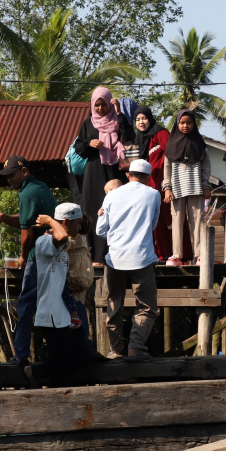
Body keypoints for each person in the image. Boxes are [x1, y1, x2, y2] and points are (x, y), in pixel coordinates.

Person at [0, 155, 57, 367]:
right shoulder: (40, 187)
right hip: (54, 253)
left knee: (26, 304)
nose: (8, 179)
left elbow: (26, 233)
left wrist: (23, 256)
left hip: (39, 256)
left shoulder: (26, 194)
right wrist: (5, 218)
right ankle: (60, 351)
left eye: (12, 175)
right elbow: (26, 219)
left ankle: (20, 355)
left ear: (24, 171)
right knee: (53, 302)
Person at [96, 159, 161, 362]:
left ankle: (116, 351)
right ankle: (135, 348)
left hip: (115, 259)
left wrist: (117, 238)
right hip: (142, 257)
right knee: (146, 307)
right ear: (148, 177)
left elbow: (100, 230)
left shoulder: (111, 195)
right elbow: (153, 224)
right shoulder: (153, 194)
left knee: (114, 305)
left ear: (128, 175)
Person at [24, 203, 95, 386]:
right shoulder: (45, 242)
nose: (79, 227)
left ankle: (37, 372)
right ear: (66, 222)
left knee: (83, 354)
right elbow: (61, 236)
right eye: (77, 223)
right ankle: (35, 374)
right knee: (62, 369)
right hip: (51, 314)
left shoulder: (63, 245)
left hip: (65, 311)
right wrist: (49, 220)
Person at [74, 87, 133, 270]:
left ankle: (115, 254)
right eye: (97, 105)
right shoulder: (88, 123)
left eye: (103, 105)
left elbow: (129, 137)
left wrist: (119, 113)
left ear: (109, 104)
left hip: (115, 172)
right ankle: (95, 255)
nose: (100, 108)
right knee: (93, 211)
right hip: (94, 172)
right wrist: (89, 143)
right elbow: (78, 148)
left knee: (116, 211)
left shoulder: (118, 120)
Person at [161, 110, 211, 267]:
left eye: (189, 122)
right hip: (176, 189)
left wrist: (206, 185)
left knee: (198, 220)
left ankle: (200, 255)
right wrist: (167, 188)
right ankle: (177, 255)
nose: (185, 125)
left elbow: (206, 167)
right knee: (176, 220)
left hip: (196, 188)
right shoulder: (171, 145)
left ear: (194, 124)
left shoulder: (200, 144)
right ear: (177, 124)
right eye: (182, 122)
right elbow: (167, 169)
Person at [132, 106, 172, 263]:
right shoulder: (140, 138)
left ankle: (171, 253)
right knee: (153, 218)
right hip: (148, 184)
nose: (141, 122)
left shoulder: (160, 133)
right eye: (137, 119)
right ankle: (158, 253)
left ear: (150, 118)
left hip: (162, 183)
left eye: (144, 118)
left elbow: (172, 153)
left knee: (165, 217)